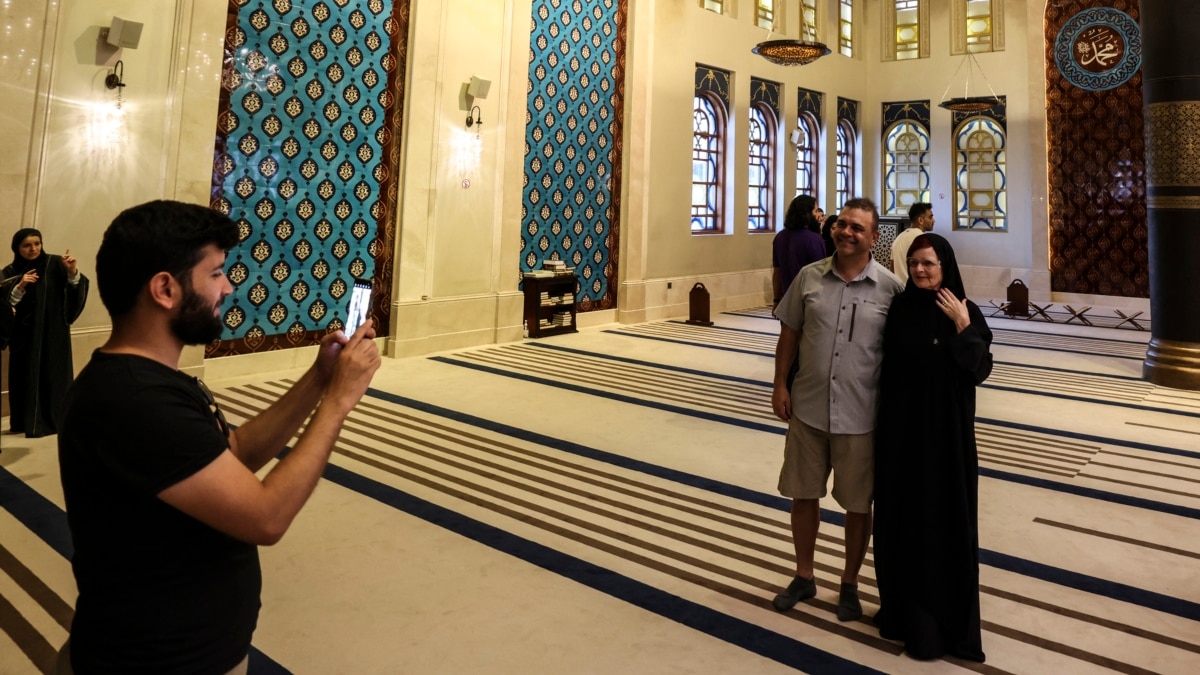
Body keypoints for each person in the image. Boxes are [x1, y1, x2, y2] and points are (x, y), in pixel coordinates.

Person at [56, 200, 381, 674]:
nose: (228, 287)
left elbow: (235, 452)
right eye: (215, 274)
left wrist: (319, 380)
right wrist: (339, 403)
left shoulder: (151, 381)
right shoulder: (135, 401)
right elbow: (266, 518)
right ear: (165, 288)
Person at [769, 197, 903, 622]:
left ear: (874, 237)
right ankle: (804, 575)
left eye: (857, 228)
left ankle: (849, 583)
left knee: (857, 504)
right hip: (808, 408)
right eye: (842, 224)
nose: (846, 232)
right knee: (803, 493)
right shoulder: (809, 279)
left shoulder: (890, 289)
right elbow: (789, 335)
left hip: (861, 415)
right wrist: (779, 384)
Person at [872, 232, 992, 662]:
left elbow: (979, 370)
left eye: (930, 264)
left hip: (945, 441)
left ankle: (940, 625)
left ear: (946, 267)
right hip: (900, 436)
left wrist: (962, 325)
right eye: (915, 263)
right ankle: (901, 615)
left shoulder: (965, 311)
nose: (921, 270)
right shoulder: (900, 308)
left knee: (940, 525)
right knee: (900, 523)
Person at [2, 229, 89, 437]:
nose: (33, 249)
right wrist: (20, 286)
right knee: (24, 378)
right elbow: (4, 307)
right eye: (27, 245)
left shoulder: (55, 264)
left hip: (52, 335)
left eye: (37, 243)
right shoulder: (9, 271)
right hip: (23, 338)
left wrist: (73, 272)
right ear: (17, 248)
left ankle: (55, 420)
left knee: (54, 377)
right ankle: (25, 422)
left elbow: (75, 291)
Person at [771, 194, 826, 315]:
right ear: (806, 213)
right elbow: (821, 274)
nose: (818, 215)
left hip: (786, 301)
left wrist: (776, 300)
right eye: (816, 210)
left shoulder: (780, 237)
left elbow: (777, 273)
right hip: (808, 302)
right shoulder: (814, 239)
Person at [890, 202, 934, 283]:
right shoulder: (922, 239)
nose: (933, 220)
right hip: (914, 290)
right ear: (920, 220)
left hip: (899, 290)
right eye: (930, 217)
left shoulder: (898, 238)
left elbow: (892, 268)